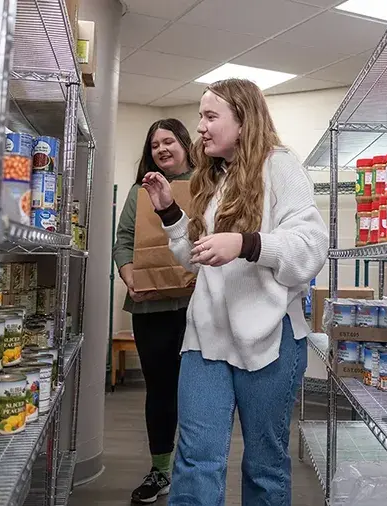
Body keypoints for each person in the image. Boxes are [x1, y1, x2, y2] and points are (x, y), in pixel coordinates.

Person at [142, 79, 329, 505]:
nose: (201, 127)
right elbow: (198, 259)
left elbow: (311, 247)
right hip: (206, 338)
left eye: (211, 116)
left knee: (264, 465)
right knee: (196, 460)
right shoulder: (213, 176)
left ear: (243, 121)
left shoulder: (280, 165)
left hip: (270, 339)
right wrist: (170, 211)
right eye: (201, 117)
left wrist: (246, 243)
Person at [112, 119, 194, 504]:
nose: (162, 149)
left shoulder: (208, 184)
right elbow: (124, 240)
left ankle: (194, 469)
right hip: (151, 308)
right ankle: (160, 470)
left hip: (198, 307)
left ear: (184, 144)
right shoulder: (138, 192)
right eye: (155, 144)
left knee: (198, 390)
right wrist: (131, 278)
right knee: (160, 390)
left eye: (169, 141)